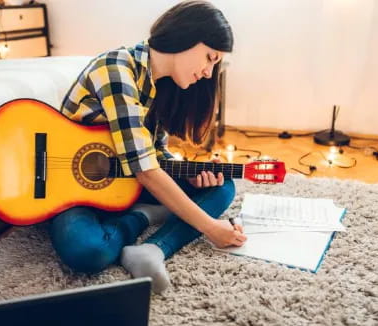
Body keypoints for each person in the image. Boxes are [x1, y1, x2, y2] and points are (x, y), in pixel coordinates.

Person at [49, 0, 247, 293]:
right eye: (209, 57)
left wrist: (187, 173)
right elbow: (146, 171)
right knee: (88, 252)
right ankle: (143, 216)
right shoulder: (116, 67)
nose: (208, 72)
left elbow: (156, 153)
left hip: (123, 183)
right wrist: (210, 228)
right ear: (186, 35)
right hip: (74, 190)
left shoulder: (163, 83)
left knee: (222, 185)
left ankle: (153, 249)